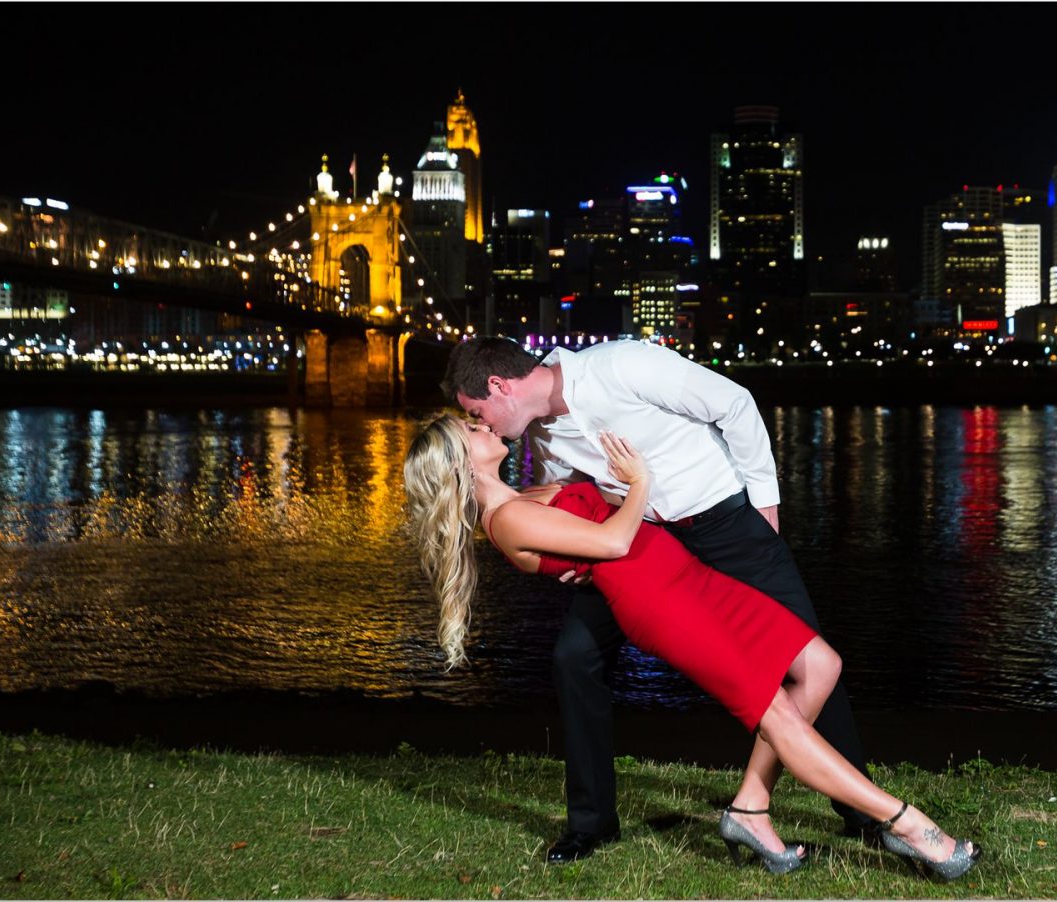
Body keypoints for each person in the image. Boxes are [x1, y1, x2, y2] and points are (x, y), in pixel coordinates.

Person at [402, 414, 982, 879]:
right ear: (460, 462)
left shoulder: (524, 493)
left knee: (820, 664)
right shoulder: (504, 519)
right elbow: (613, 537)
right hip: (665, 606)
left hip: (693, 582)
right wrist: (640, 482)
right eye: (469, 432)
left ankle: (750, 808)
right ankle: (908, 825)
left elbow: (590, 528)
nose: (482, 427)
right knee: (777, 713)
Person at [440, 337, 873, 864]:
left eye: (475, 412)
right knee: (575, 657)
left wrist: (764, 502)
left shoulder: (623, 365)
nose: (481, 424)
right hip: (642, 547)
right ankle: (592, 824)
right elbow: (570, 493)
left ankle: (863, 816)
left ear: (498, 386)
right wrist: (571, 553)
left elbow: (734, 403)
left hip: (726, 523)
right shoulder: (541, 432)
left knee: (806, 655)